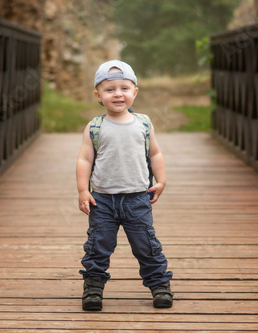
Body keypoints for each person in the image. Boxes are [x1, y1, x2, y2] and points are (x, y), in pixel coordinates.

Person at [76, 59, 173, 311]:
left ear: (134, 92)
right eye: (109, 90)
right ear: (98, 95)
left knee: (146, 245)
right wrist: (82, 190)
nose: (118, 94)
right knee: (98, 245)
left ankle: (159, 285)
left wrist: (161, 180)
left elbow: (155, 154)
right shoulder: (95, 127)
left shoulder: (143, 123)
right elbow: (85, 159)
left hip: (137, 199)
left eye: (124, 88)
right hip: (103, 200)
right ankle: (93, 289)